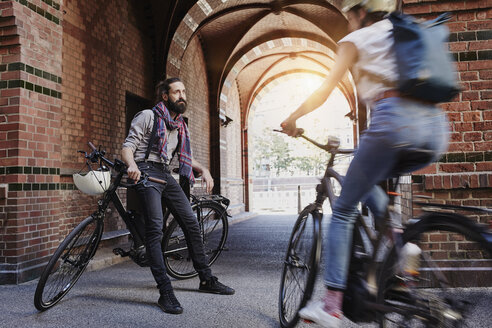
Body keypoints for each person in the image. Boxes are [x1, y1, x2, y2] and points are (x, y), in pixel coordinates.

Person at [280, 0, 449, 327]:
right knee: (369, 180)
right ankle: (402, 244)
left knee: (343, 210)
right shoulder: (403, 30)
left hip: (392, 123)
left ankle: (331, 308)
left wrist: (292, 118)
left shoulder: (357, 39)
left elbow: (325, 89)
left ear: (358, 12)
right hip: (433, 128)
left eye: (349, 16)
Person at [122, 77, 234, 315]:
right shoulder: (148, 117)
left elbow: (184, 156)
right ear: (165, 96)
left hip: (165, 174)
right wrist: (131, 165)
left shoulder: (180, 125)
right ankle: (165, 291)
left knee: (192, 224)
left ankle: (206, 280)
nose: (182, 95)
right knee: (155, 229)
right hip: (145, 171)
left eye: (183, 91)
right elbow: (128, 146)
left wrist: (202, 169)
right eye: (176, 92)